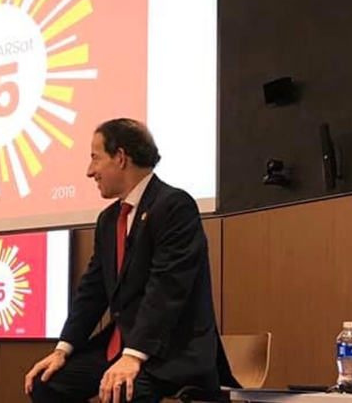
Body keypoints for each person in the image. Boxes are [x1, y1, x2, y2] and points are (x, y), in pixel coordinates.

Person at [24, 118, 236, 403]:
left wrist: (133, 356)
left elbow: (166, 289)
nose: (90, 172)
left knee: (122, 392)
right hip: (120, 346)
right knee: (46, 383)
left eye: (95, 158)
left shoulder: (174, 206)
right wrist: (63, 350)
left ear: (120, 158)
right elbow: (92, 291)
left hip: (171, 353)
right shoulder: (109, 219)